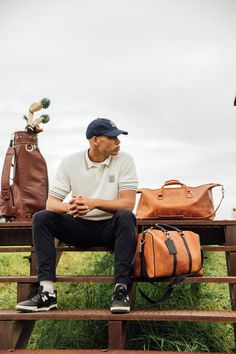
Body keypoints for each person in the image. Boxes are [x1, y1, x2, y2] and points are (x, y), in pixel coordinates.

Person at [16, 118, 138, 314]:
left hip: (111, 230)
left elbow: (128, 203)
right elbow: (51, 203)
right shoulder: (70, 162)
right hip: (79, 228)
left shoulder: (125, 160)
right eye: (113, 137)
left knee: (126, 216)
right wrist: (70, 208)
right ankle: (46, 293)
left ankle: (120, 290)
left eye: (118, 137)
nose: (118, 142)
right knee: (42, 217)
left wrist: (93, 202)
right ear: (95, 140)